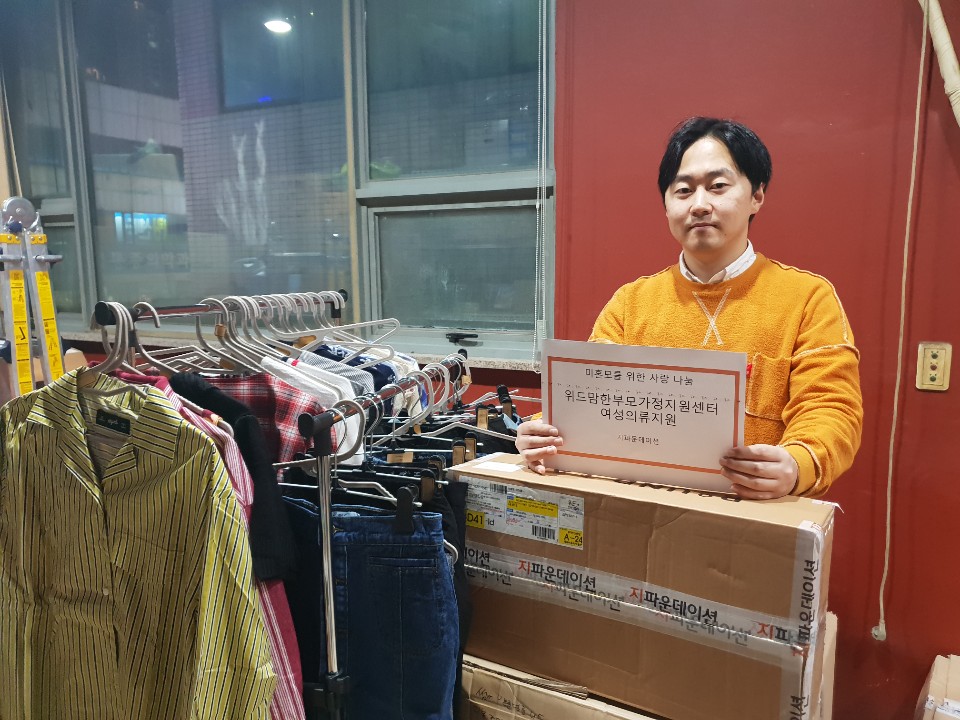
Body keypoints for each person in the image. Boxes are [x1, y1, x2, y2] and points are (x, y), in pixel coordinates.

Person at [517, 117, 863, 500]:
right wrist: (541, 431)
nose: (699, 205)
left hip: (755, 512)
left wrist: (797, 464)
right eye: (683, 191)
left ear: (757, 195)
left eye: (718, 187)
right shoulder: (631, 303)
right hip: (640, 510)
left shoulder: (808, 298)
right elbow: (592, 396)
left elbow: (831, 407)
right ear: (666, 205)